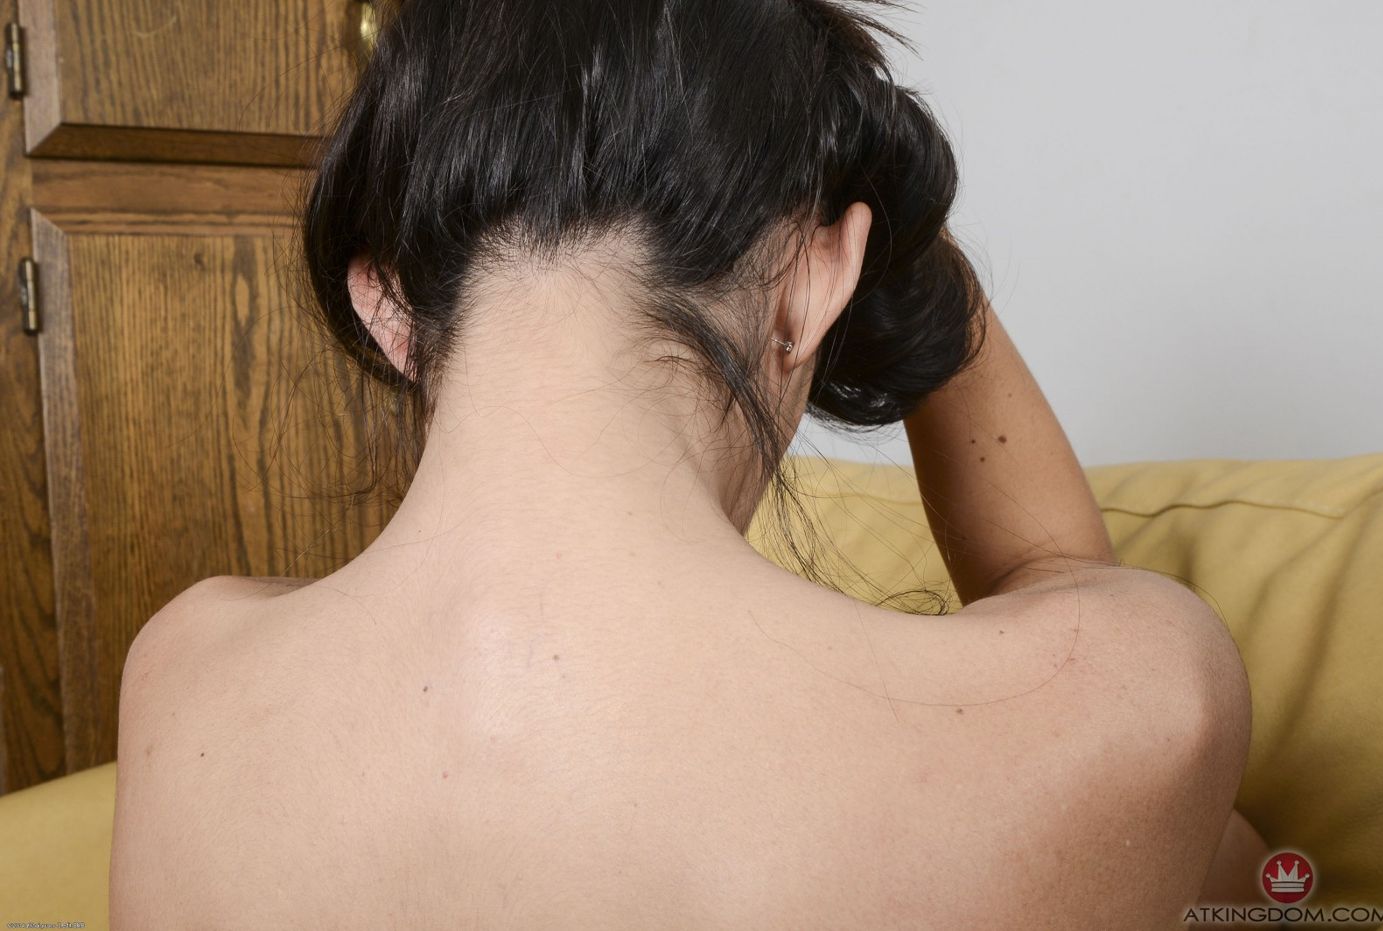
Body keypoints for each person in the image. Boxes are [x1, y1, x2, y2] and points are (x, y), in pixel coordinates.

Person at [109, 0, 1266, 926]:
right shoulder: (1136, 698)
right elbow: (1059, 590)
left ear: (389, 310)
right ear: (815, 280)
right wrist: (909, 247)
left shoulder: (181, 683)